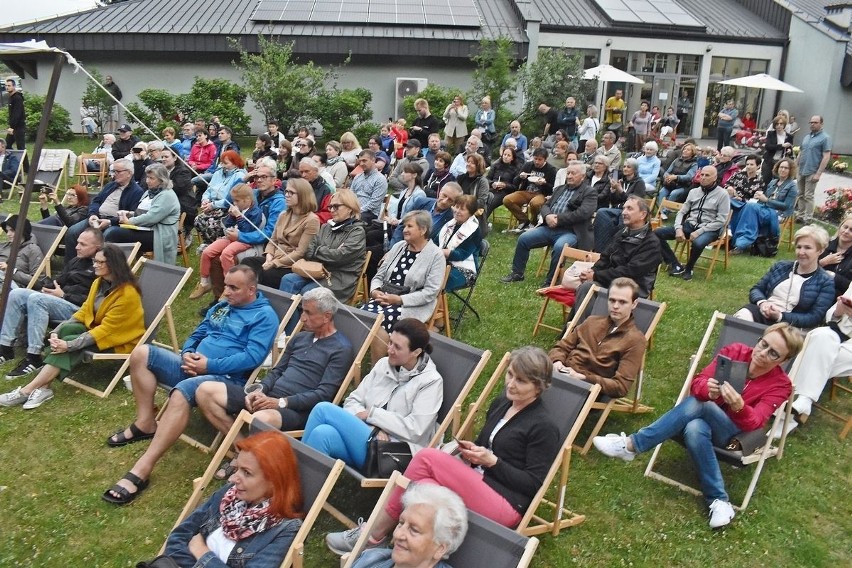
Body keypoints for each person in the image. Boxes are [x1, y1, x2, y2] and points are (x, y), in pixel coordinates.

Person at [326, 346, 558, 556]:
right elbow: (485, 443)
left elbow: (533, 484)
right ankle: (406, 549)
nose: (511, 384)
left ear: (539, 386)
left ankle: (372, 535)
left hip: (506, 503)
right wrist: (472, 452)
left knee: (427, 457)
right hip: (480, 480)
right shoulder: (503, 403)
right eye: (510, 375)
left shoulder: (543, 426)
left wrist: (492, 462)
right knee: (425, 485)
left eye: (521, 381)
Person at [593, 322, 803, 529]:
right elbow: (698, 383)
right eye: (763, 344)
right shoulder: (735, 351)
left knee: (700, 406)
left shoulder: (780, 384)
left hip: (734, 435)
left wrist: (740, 407)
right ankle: (719, 501)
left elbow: (756, 421)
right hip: (702, 419)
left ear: (785, 359)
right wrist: (707, 390)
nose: (763, 352)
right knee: (695, 428)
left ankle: (632, 445)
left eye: (773, 353)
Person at [103, 265, 278, 504]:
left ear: (251, 290)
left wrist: (209, 366)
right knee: (142, 354)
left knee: (183, 391)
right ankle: (145, 423)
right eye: (226, 285)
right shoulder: (223, 306)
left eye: (233, 288)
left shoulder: (263, 316)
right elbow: (198, 333)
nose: (226, 292)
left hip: (225, 379)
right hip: (195, 367)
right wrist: (187, 353)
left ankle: (142, 469)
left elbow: (252, 358)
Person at [197, 287, 354, 440]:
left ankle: (243, 459)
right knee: (205, 391)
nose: (302, 318)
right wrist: (260, 390)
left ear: (327, 316)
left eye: (308, 313)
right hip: (269, 397)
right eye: (302, 311)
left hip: (297, 409)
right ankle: (240, 446)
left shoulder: (341, 349)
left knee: (260, 419)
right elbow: (277, 371)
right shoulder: (300, 338)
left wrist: (281, 402)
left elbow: (323, 395)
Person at [0, 244, 145, 410]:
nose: (95, 265)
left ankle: (27, 390)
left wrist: (68, 345)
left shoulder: (127, 294)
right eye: (94, 261)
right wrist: (55, 332)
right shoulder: (99, 283)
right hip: (99, 332)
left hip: (118, 341)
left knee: (70, 342)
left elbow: (106, 331)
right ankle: (44, 388)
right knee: (66, 331)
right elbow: (84, 312)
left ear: (113, 265)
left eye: (100, 262)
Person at [303, 318, 443, 469]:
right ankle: (298, 489)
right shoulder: (384, 364)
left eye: (397, 347)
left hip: (392, 453)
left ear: (416, 352)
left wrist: (372, 415)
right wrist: (370, 426)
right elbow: (353, 400)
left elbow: (415, 430)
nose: (389, 349)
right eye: (390, 342)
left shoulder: (431, 382)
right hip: (367, 437)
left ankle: (286, 479)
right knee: (322, 434)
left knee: (323, 409)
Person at [162, 431, 305, 567]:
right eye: (237, 469)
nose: (234, 478)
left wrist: (201, 552)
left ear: (274, 481)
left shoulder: (284, 530)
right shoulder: (230, 495)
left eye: (246, 473)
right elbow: (178, 538)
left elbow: (189, 543)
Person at [0, 228, 101, 379]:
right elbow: (58, 282)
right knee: (17, 294)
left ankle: (34, 357)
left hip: (81, 310)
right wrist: (47, 288)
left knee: (37, 300)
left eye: (83, 244)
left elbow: (95, 301)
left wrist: (64, 295)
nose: (76, 246)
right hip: (61, 301)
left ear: (97, 248)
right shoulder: (76, 261)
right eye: (78, 242)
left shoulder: (101, 267)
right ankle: (5, 348)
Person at [502, 161, 596, 285]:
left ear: (583, 176)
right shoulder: (560, 189)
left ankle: (551, 280)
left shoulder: (589, 192)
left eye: (573, 173)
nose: (569, 176)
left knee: (559, 247)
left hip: (571, 231)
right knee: (524, 238)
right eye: (568, 173)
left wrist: (558, 219)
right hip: (550, 227)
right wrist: (547, 216)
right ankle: (517, 273)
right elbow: (545, 205)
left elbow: (583, 213)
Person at [550, 278, 647, 398]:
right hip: (560, 374)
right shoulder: (591, 322)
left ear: (634, 304)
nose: (615, 306)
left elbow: (621, 387)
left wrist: (584, 378)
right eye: (612, 300)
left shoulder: (635, 340)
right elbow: (562, 347)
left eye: (622, 302)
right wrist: (557, 361)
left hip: (585, 390)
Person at [363, 211, 444, 350]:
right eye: (404, 226)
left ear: (423, 230)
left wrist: (399, 300)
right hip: (384, 298)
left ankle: (378, 368)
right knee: (362, 315)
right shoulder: (398, 247)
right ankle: (352, 361)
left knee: (382, 321)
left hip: (411, 305)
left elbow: (430, 292)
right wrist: (375, 291)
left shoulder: (436, 256)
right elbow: (378, 276)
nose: (404, 230)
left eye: (409, 226)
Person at [733, 225, 834, 330]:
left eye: (807, 248)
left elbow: (814, 317)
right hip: (764, 312)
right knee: (742, 315)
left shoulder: (825, 282)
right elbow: (757, 289)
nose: (801, 252)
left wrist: (780, 316)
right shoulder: (781, 266)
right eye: (799, 247)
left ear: (820, 251)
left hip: (791, 326)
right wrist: (763, 302)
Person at [348, 485, 467, 568]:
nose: (398, 535)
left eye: (414, 530)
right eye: (401, 523)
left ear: (440, 548)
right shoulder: (370, 559)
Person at [279, 189, 366, 301]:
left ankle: (300, 318)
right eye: (330, 207)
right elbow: (308, 251)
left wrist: (318, 250)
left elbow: (340, 257)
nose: (332, 210)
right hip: (316, 270)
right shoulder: (326, 227)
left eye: (336, 206)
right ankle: (286, 318)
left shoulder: (357, 232)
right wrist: (328, 251)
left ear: (350, 208)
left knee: (309, 292)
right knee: (288, 280)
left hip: (338, 278)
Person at [787, 287, 852, 430]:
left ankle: (786, 399)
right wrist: (839, 311)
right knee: (821, 335)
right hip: (838, 335)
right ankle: (803, 401)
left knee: (816, 355)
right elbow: (830, 317)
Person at [191, 184, 266, 299]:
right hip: (232, 238)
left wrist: (239, 217)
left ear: (247, 200)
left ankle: (229, 285)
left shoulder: (256, 213)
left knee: (226, 254)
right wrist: (231, 216)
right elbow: (228, 224)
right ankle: (204, 282)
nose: (234, 203)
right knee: (207, 251)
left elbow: (247, 230)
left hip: (245, 240)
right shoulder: (238, 208)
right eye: (233, 201)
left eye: (237, 201)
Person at [656, 165, 729, 281]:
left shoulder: (723, 194)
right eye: (702, 175)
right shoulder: (693, 192)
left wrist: (700, 231)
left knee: (698, 243)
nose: (703, 178)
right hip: (690, 225)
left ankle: (689, 268)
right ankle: (674, 264)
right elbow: (682, 212)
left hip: (710, 228)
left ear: (715, 178)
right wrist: (678, 228)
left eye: (707, 175)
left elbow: (721, 220)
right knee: (656, 233)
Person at [63, 158, 144, 261]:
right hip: (96, 218)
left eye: (117, 171)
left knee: (106, 236)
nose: (114, 174)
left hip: (115, 223)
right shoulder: (110, 185)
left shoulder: (136, 191)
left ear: (129, 173)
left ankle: (94, 267)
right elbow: (96, 201)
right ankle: (71, 266)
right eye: (113, 171)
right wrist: (93, 214)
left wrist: (110, 221)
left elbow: (131, 215)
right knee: (72, 231)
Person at [105, 162, 181, 264]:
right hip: (146, 229)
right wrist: (129, 214)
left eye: (151, 178)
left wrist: (129, 221)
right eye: (147, 177)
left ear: (162, 179)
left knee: (113, 233)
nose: (147, 181)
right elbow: (142, 213)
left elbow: (151, 217)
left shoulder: (167, 195)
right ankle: (113, 265)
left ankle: (112, 267)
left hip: (159, 234)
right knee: (111, 231)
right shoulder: (149, 192)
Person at [257, 178, 320, 288]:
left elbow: (301, 252)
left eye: (291, 192)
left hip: (290, 264)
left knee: (265, 273)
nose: (286, 195)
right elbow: (273, 240)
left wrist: (275, 263)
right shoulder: (283, 215)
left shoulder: (312, 220)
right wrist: (269, 256)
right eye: (286, 191)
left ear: (302, 195)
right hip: (274, 258)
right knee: (248, 264)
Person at [731, 158, 798, 254]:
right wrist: (758, 198)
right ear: (777, 168)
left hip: (777, 213)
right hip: (764, 209)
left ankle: (741, 243)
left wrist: (766, 200)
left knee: (750, 207)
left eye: (786, 168)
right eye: (781, 167)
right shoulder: (773, 182)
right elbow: (763, 200)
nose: (783, 170)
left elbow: (786, 206)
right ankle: (737, 240)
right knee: (740, 205)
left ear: (790, 170)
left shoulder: (792, 186)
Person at [193, 150, 248, 247]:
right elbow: (209, 189)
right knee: (198, 220)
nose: (222, 165)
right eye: (221, 162)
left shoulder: (240, 175)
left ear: (235, 163)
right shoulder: (218, 173)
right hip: (212, 204)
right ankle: (209, 243)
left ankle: (215, 245)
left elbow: (230, 199)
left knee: (211, 223)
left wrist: (213, 205)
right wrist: (205, 199)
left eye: (226, 163)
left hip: (226, 207)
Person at [592, 163, 648, 251]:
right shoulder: (621, 181)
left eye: (628, 166)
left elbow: (635, 202)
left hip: (630, 211)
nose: (625, 168)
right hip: (616, 209)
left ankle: (612, 248)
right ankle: (600, 249)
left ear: (634, 170)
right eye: (624, 166)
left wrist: (620, 190)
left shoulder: (639, 183)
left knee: (619, 222)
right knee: (602, 213)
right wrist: (613, 191)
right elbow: (614, 201)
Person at [434, 194, 482, 292]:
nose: (457, 211)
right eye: (456, 207)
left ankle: (428, 304)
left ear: (470, 213)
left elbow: (461, 255)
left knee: (435, 280)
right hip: (443, 262)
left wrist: (441, 252)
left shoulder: (474, 230)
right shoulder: (450, 224)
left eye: (462, 209)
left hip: (464, 270)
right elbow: (435, 242)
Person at [503, 148, 557, 233]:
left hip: (541, 194)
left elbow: (553, 188)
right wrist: (520, 177)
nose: (537, 162)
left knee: (535, 203)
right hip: (526, 191)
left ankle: (533, 223)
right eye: (535, 159)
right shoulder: (528, 165)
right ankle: (524, 220)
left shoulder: (551, 170)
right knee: (507, 200)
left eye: (540, 160)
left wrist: (544, 183)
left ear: (545, 159)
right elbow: (515, 181)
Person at [795, 115, 832, 223]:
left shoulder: (825, 138)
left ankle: (808, 218)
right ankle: (800, 215)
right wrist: (795, 166)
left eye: (815, 122)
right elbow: (801, 152)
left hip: (812, 171)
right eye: (811, 122)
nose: (812, 124)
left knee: (808, 195)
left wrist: (818, 173)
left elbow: (826, 156)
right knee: (800, 194)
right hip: (801, 170)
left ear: (821, 124)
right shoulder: (807, 137)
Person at [0, 215, 42, 289]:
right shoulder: (4, 246)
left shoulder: (33, 250)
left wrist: (11, 271)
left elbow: (38, 282)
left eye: (12, 230)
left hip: (13, 286)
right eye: (7, 230)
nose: (8, 234)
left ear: (22, 231)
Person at [351, 150, 389, 223]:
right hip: (354, 210)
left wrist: (358, 210)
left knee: (355, 219)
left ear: (373, 160)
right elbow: (351, 196)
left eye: (364, 161)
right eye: (360, 161)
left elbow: (374, 203)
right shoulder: (357, 177)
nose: (361, 164)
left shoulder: (380, 179)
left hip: (369, 213)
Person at [819, 214, 852, 297]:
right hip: (813, 288)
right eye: (845, 227)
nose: (846, 231)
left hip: (838, 298)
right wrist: (823, 262)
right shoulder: (824, 244)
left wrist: (835, 277)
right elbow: (802, 267)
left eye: (851, 230)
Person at [484, 147, 522, 220]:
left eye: (508, 155)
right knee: (480, 199)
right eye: (504, 154)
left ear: (512, 158)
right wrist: (492, 183)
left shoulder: (517, 169)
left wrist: (505, 185)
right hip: (492, 188)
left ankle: (481, 224)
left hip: (505, 192)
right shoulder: (496, 165)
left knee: (490, 202)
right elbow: (487, 179)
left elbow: (515, 187)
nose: (506, 157)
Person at [761, 116, 794, 185]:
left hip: (780, 162)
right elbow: (768, 146)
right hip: (769, 160)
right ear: (774, 125)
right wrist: (782, 146)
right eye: (777, 124)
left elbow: (790, 148)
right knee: (765, 180)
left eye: (781, 124)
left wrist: (789, 151)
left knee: (778, 181)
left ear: (784, 125)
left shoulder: (789, 136)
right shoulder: (771, 134)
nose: (779, 126)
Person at [5, 78, 26, 169]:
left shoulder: (17, 98)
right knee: (6, 145)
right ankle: (15, 162)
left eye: (9, 86)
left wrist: (12, 127)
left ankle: (27, 168)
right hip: (13, 127)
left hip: (18, 127)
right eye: (6, 86)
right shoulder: (11, 98)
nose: (7, 87)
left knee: (21, 148)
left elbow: (17, 113)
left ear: (14, 86)